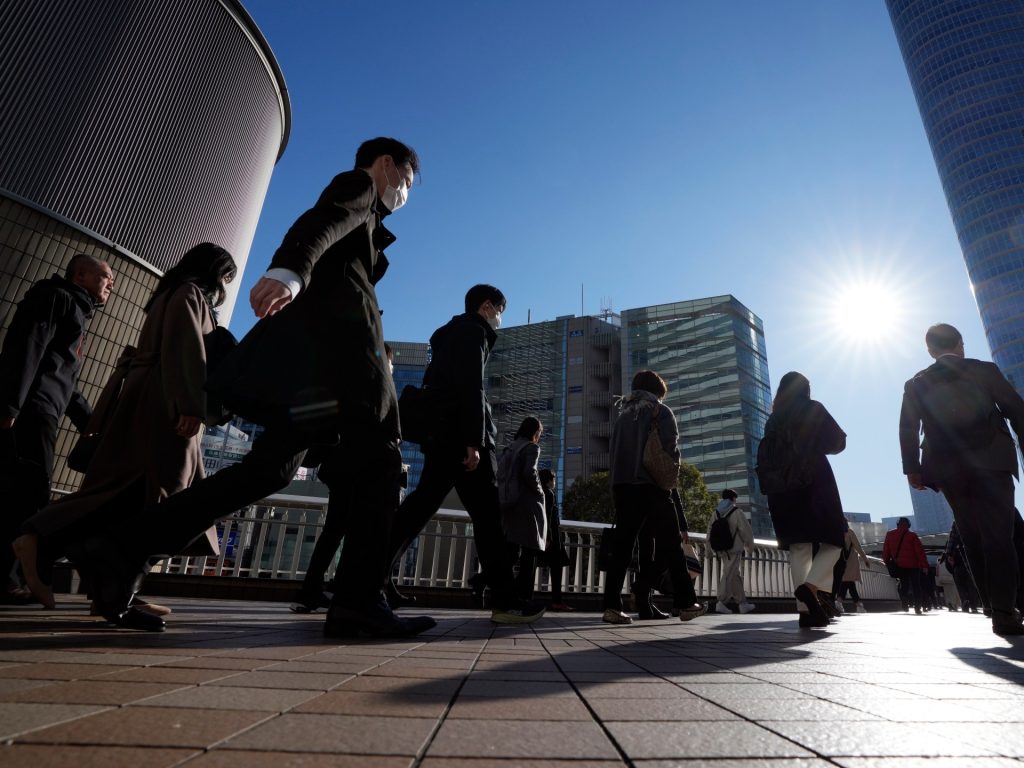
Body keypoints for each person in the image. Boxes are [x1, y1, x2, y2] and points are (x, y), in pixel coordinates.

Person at [51, 137, 435, 638]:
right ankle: (358, 604)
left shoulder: (369, 222)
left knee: (267, 471)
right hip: (345, 365)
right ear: (386, 164)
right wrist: (289, 271)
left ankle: (121, 548)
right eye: (406, 181)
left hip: (313, 378)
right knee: (381, 461)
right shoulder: (359, 185)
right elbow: (322, 221)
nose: (404, 193)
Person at [13, 245, 236, 627]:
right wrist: (190, 406)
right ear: (215, 272)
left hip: (150, 398)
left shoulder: (169, 293)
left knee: (131, 491)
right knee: (154, 494)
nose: (226, 285)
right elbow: (186, 350)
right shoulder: (189, 294)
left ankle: (109, 587)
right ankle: (44, 538)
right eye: (227, 277)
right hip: (164, 404)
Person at [384, 285, 545, 624]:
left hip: (442, 435)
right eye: (500, 311)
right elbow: (472, 386)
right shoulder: (474, 332)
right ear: (487, 306)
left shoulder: (448, 336)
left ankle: (365, 580)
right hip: (464, 439)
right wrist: (473, 439)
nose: (499, 319)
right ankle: (506, 601)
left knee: (419, 507)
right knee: (488, 517)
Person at [0, 254, 113, 603]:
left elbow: (66, 380)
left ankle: (13, 579)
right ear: (81, 275)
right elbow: (27, 348)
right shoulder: (55, 297)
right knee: (28, 493)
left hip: (42, 409)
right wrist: (10, 405)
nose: (111, 285)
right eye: (105, 277)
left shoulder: (76, 310)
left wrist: (91, 424)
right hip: (31, 410)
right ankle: (8, 581)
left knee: (26, 492)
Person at [898, 322, 1024, 636]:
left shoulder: (917, 383)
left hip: (949, 469)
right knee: (999, 537)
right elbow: (1016, 410)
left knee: (971, 536)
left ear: (930, 350)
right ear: (960, 344)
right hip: (993, 462)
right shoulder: (984, 370)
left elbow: (908, 428)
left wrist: (913, 468)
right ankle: (1003, 609)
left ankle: (990, 604)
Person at [602, 369, 707, 625]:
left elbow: (614, 456)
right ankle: (686, 602)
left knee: (622, 548)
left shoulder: (622, 416)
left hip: (623, 487)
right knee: (671, 544)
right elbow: (670, 449)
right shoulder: (660, 411)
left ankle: (611, 607)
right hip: (652, 487)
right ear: (657, 391)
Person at [762, 371, 847, 629]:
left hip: (782, 487)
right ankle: (810, 588)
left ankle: (806, 610)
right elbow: (837, 442)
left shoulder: (773, 418)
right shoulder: (812, 408)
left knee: (799, 547)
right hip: (814, 480)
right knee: (834, 540)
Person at [497, 416, 547, 601]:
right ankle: (523, 596)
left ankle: (497, 587)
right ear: (534, 432)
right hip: (527, 505)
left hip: (510, 502)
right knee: (530, 551)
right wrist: (540, 491)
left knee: (511, 550)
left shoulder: (510, 447)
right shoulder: (532, 447)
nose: (539, 436)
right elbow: (530, 472)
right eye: (539, 432)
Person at [713, 488, 755, 614]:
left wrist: (710, 549)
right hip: (734, 549)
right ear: (733, 499)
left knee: (734, 575)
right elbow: (746, 530)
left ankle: (742, 603)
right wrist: (750, 546)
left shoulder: (716, 513)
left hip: (721, 549)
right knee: (728, 574)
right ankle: (721, 602)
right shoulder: (737, 512)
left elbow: (710, 530)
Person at [538, 468, 573, 611]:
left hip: (545, 537)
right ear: (549, 480)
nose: (555, 482)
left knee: (533, 566)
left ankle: (556, 601)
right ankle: (557, 601)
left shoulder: (540, 493)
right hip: (552, 539)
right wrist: (549, 538)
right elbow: (548, 517)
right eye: (553, 479)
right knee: (557, 570)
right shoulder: (549, 494)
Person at [882, 517, 929, 614]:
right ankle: (917, 607)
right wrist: (924, 565)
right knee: (916, 585)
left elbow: (886, 550)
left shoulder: (890, 534)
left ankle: (904, 601)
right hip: (913, 565)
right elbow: (920, 552)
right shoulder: (912, 535)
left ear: (897, 524)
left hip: (899, 565)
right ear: (908, 525)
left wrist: (886, 561)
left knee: (904, 584)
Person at [832, 522, 869, 614]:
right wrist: (865, 559)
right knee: (848, 582)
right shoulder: (849, 532)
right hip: (850, 562)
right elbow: (858, 547)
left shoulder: (834, 532)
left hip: (838, 562)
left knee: (847, 582)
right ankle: (843, 602)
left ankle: (855, 604)